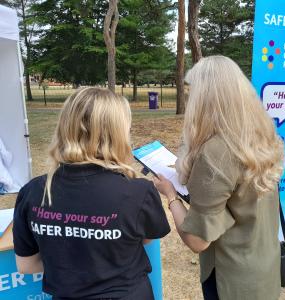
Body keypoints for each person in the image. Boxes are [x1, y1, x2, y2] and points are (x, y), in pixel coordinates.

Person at [13, 87, 170, 300]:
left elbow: (26, 264)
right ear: (118, 132)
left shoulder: (33, 192)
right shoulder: (137, 192)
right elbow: (145, 239)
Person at [155, 56, 285, 300]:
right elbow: (235, 205)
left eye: (193, 91)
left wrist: (171, 195)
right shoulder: (261, 136)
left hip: (232, 282)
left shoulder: (217, 151)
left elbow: (197, 240)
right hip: (264, 272)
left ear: (205, 99)